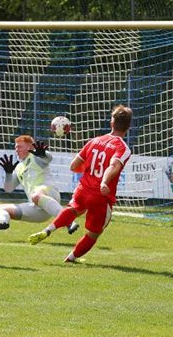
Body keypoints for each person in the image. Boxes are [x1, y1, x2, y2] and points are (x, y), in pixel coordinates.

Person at [28, 105, 133, 263]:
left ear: (111, 123)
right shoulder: (123, 148)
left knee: (73, 210)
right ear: (128, 127)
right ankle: (71, 258)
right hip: (100, 196)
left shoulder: (94, 141)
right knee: (93, 234)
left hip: (83, 189)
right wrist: (104, 182)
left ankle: (48, 229)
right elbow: (114, 165)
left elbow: (73, 166)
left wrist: (89, 169)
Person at [0, 135, 78, 234]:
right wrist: (8, 174)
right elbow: (8, 189)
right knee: (1, 208)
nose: (16, 150)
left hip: (50, 193)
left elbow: (48, 158)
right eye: (16, 147)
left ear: (30, 147)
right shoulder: (18, 167)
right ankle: (1, 222)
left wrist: (43, 154)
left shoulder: (36, 157)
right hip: (38, 209)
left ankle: (69, 221)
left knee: (36, 195)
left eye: (20, 147)